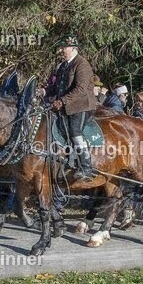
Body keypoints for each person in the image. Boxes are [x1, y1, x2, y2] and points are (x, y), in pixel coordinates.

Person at [45, 35, 98, 181]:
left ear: (73, 48)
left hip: (81, 106)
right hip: (66, 106)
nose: (61, 50)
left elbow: (80, 89)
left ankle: (86, 168)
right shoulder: (63, 66)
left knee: (75, 131)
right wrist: (44, 92)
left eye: (64, 47)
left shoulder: (82, 65)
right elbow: (56, 87)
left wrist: (61, 101)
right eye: (61, 47)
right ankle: (66, 162)